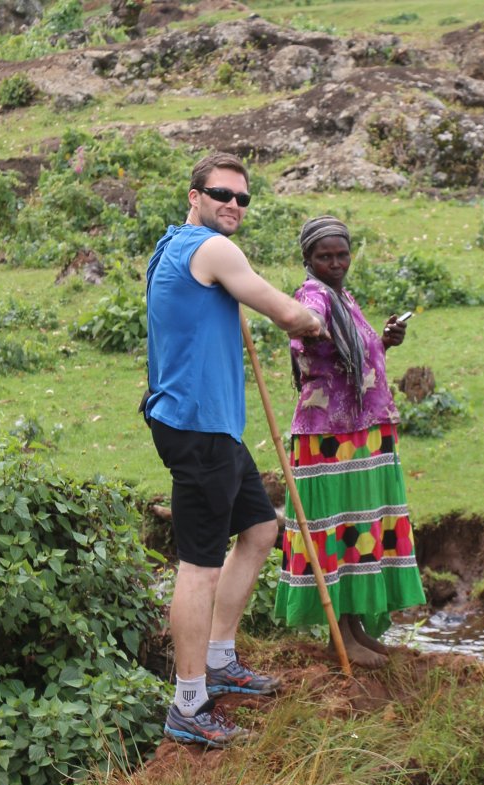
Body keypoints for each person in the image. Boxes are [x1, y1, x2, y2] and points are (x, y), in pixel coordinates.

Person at [144, 153, 324, 748]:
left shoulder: (171, 247)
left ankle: (220, 659)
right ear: (193, 194)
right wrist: (318, 321)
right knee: (198, 564)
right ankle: (188, 703)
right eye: (222, 193)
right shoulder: (213, 250)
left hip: (210, 426)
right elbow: (286, 312)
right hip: (199, 428)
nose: (233, 205)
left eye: (243, 198)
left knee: (257, 530)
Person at [274, 215, 426, 667]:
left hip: (363, 430)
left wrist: (384, 342)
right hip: (329, 438)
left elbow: (350, 358)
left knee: (361, 526)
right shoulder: (314, 296)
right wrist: (308, 323)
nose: (336, 263)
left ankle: (357, 627)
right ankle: (338, 636)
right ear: (309, 260)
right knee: (336, 530)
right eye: (325, 256)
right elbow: (306, 323)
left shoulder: (344, 297)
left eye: (342, 255)